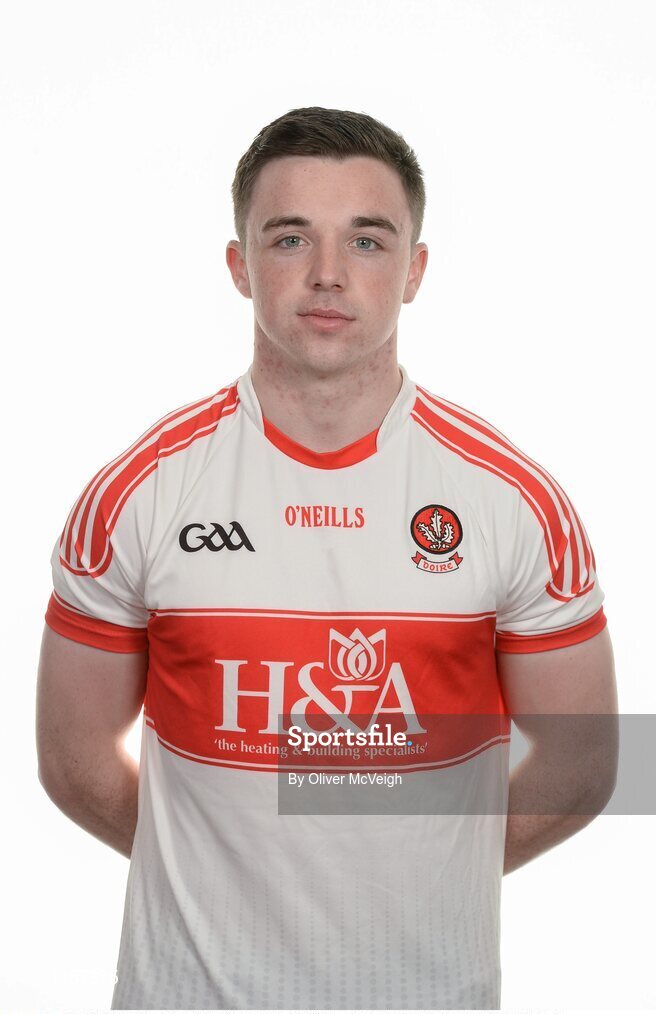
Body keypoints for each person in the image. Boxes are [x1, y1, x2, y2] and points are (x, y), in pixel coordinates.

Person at [36, 106, 618, 1011]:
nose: (328, 274)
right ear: (238, 265)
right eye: (290, 237)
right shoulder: (138, 495)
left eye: (369, 241)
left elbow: (583, 766)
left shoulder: (513, 504)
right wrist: (225, 872)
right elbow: (73, 764)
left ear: (416, 270)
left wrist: (423, 876)